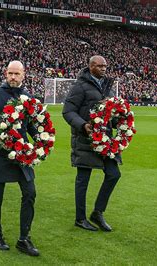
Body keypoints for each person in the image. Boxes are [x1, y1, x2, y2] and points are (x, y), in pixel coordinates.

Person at [0, 60, 40, 256]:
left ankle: (24, 238)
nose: (13, 77)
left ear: (23, 75)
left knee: (30, 194)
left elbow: (29, 124)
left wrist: (40, 137)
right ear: (6, 74)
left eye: (17, 74)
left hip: (22, 155)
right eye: (10, 73)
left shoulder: (27, 96)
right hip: (0, 154)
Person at [62, 55, 121, 232]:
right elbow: (68, 111)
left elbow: (111, 115)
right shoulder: (80, 86)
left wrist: (121, 121)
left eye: (105, 66)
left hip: (106, 140)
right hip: (85, 139)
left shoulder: (108, 88)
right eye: (100, 66)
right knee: (83, 179)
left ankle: (98, 212)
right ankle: (80, 219)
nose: (104, 69)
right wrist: (83, 125)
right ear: (91, 67)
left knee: (113, 174)